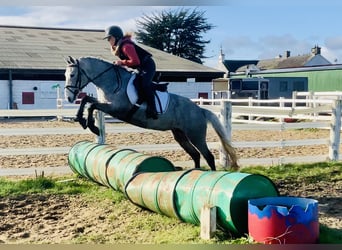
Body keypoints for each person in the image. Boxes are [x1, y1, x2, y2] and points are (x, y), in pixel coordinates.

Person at [104, 25, 158, 119]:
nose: (108, 41)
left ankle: (153, 109)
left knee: (145, 85)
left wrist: (121, 62)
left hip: (148, 66)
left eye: (109, 38)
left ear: (116, 37)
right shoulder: (120, 46)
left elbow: (136, 61)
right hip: (141, 67)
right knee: (136, 83)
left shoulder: (126, 46)